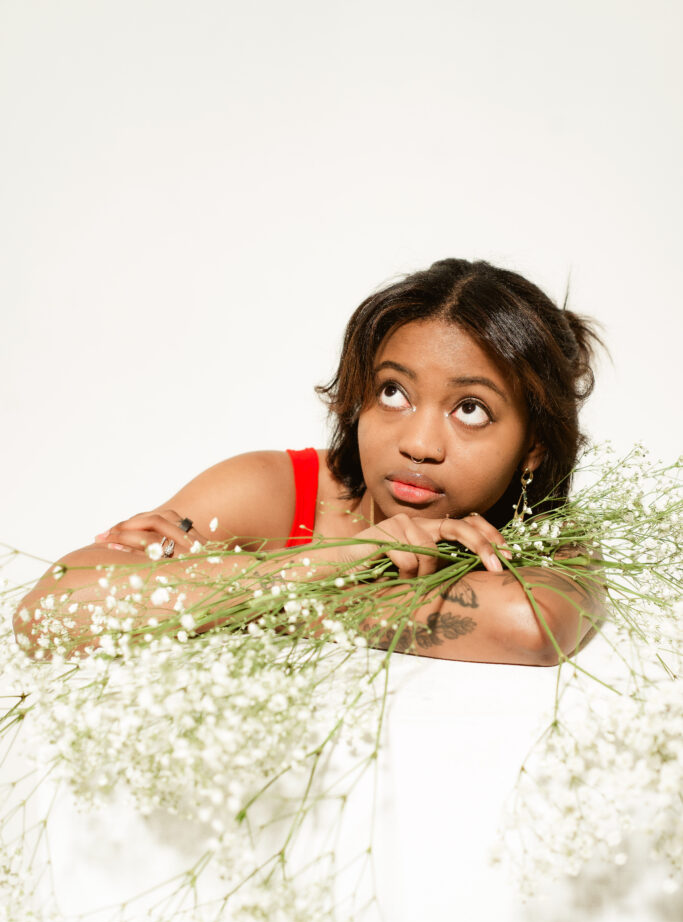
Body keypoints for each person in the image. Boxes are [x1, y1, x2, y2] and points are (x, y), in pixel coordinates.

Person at [13, 258, 604, 664]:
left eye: (471, 409)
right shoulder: (277, 490)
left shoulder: (544, 536)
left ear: (535, 444)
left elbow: (531, 629)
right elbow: (49, 613)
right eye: (393, 392)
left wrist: (230, 597)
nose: (421, 443)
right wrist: (345, 557)